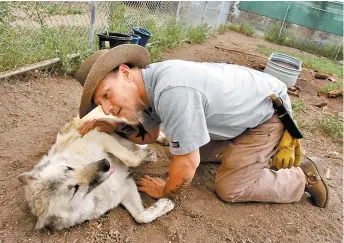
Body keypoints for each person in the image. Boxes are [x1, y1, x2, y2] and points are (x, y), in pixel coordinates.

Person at [76, 44, 328, 208]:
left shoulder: (172, 91)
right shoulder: (148, 87)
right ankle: (247, 157)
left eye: (107, 95)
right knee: (190, 150)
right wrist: (113, 126)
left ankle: (302, 176)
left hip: (266, 115)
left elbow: (187, 165)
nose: (108, 108)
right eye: (101, 104)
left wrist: (166, 190)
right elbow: (150, 135)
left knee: (229, 188)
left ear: (125, 72)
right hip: (241, 109)